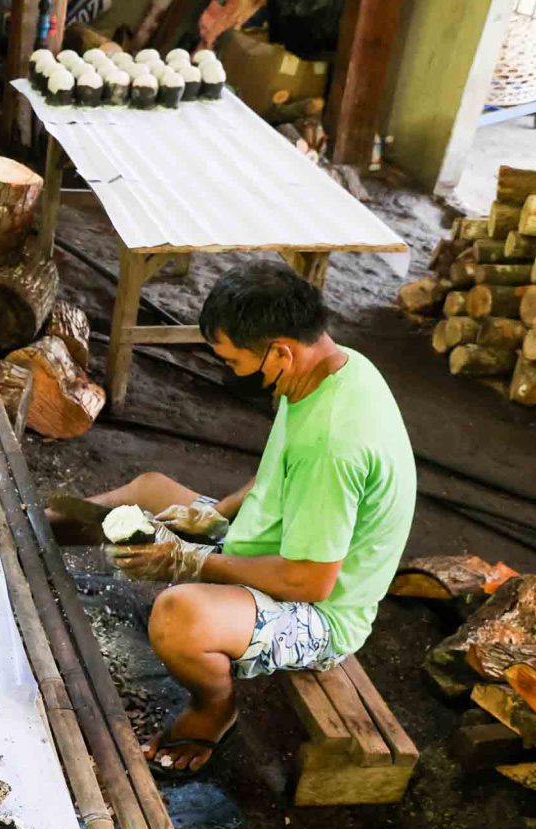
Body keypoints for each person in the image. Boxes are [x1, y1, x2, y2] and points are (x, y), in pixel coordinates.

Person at [47, 262, 416, 776]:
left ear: (280, 351)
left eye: (234, 360)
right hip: (277, 546)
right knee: (148, 490)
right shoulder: (332, 367)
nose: (231, 371)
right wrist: (213, 514)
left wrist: (193, 563)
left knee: (178, 617)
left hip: (324, 610)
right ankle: (32, 536)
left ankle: (213, 710)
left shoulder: (333, 444)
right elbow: (277, 474)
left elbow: (308, 580)